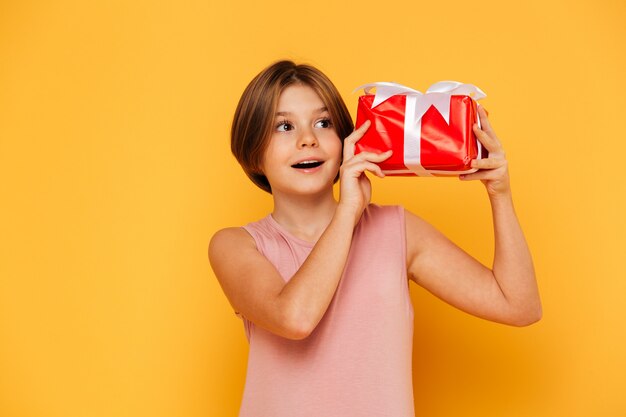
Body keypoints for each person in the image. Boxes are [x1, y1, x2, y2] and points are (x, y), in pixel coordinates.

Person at [209, 60, 542, 417]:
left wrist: (500, 194)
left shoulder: (396, 230)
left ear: (345, 141)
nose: (308, 139)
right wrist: (349, 212)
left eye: (324, 123)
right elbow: (296, 318)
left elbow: (519, 305)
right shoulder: (236, 246)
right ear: (253, 151)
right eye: (284, 126)